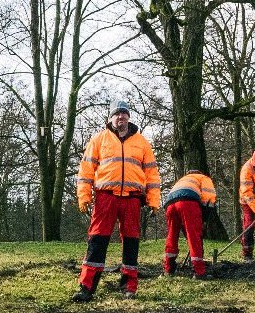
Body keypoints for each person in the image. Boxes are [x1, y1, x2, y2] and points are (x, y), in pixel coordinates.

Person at [75, 102, 161, 301]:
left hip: (132, 198)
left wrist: (154, 200)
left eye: (124, 113)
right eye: (117, 114)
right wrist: (84, 196)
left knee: (131, 241)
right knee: (97, 239)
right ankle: (87, 287)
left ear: (128, 117)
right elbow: (86, 171)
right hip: (106, 197)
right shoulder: (98, 139)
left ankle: (129, 286)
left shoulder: (142, 143)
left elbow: (152, 174)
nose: (121, 117)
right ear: (110, 118)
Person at [162, 171, 217, 279]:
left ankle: (168, 269)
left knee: (172, 236)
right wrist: (204, 219)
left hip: (169, 204)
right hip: (188, 202)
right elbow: (209, 199)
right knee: (194, 236)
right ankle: (199, 271)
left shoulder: (183, 180)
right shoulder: (204, 178)